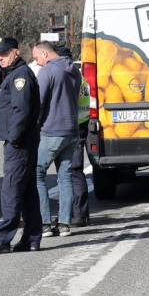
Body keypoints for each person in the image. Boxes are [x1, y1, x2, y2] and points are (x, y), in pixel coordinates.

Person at [0, 37, 43, 254]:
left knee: (11, 190)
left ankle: (2, 240)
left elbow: (21, 111)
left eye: (4, 54)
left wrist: (13, 138)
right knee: (27, 191)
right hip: (24, 141)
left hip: (19, 143)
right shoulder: (13, 73)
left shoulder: (20, 76)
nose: (0, 58)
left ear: (16, 52)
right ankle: (32, 238)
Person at [31, 41, 81, 237]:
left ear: (45, 53)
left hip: (52, 130)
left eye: (36, 58)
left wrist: (34, 126)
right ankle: (64, 224)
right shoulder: (74, 70)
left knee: (37, 173)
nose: (37, 63)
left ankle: (44, 223)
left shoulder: (48, 71)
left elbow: (39, 102)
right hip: (72, 130)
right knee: (65, 178)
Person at [57, 45, 92, 227]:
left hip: (72, 127)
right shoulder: (81, 77)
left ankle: (78, 214)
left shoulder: (70, 78)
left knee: (72, 171)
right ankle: (78, 213)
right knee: (73, 171)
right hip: (81, 124)